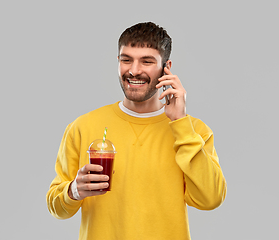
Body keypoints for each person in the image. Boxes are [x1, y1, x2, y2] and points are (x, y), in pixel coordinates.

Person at [46, 22, 227, 240]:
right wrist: (74, 190)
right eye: (126, 59)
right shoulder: (82, 127)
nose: (133, 70)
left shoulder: (194, 131)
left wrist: (180, 121)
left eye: (147, 61)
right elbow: (57, 207)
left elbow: (211, 199)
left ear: (166, 67)